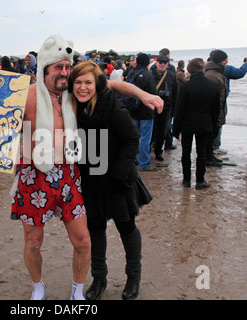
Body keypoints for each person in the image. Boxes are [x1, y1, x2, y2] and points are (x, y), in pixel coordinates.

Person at [0, 34, 163, 300]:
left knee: (84, 240)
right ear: (45, 66)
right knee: (33, 243)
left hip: (70, 176)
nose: (65, 72)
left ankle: (79, 290)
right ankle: (38, 288)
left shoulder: (74, 92)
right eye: (59, 67)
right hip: (34, 176)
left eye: (68, 67)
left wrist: (143, 93)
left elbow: (112, 86)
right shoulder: (25, 95)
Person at [70, 61, 152, 300]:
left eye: (88, 82)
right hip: (88, 179)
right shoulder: (71, 106)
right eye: (78, 82)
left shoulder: (111, 105)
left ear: (97, 84)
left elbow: (131, 139)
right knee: (95, 229)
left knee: (126, 227)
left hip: (117, 178)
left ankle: (133, 277)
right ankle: (99, 278)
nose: (83, 87)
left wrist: (118, 173)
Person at [173, 58, 220, 190]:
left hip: (187, 124)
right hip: (205, 123)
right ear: (203, 69)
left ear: (189, 70)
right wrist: (215, 126)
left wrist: (175, 129)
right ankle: (200, 180)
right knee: (202, 153)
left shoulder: (185, 87)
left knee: (186, 153)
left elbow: (179, 110)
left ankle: (186, 180)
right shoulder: (212, 86)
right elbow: (216, 110)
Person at [213, 56, 247, 154]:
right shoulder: (225, 68)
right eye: (225, 60)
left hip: (209, 99)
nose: (227, 61)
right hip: (220, 100)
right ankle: (215, 146)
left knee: (212, 122)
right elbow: (240, 73)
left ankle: (211, 146)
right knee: (219, 122)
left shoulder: (207, 69)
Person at [127, 53, 158, 171]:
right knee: (145, 138)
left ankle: (134, 159)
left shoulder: (131, 72)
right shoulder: (147, 75)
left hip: (132, 109)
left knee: (135, 136)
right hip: (145, 111)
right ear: (147, 63)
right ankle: (144, 163)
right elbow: (153, 93)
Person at [151, 55, 177, 161]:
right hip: (151, 107)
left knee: (163, 131)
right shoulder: (150, 75)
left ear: (167, 64)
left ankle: (158, 152)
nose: (162, 64)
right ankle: (147, 150)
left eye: (165, 63)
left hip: (166, 107)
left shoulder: (171, 75)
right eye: (160, 62)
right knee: (150, 130)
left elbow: (175, 92)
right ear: (156, 63)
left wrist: (174, 109)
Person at [205, 49, 228, 167]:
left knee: (213, 134)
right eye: (225, 59)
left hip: (217, 109)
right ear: (220, 61)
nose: (227, 62)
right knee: (210, 135)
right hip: (212, 112)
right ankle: (207, 158)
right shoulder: (212, 75)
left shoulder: (217, 72)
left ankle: (210, 156)